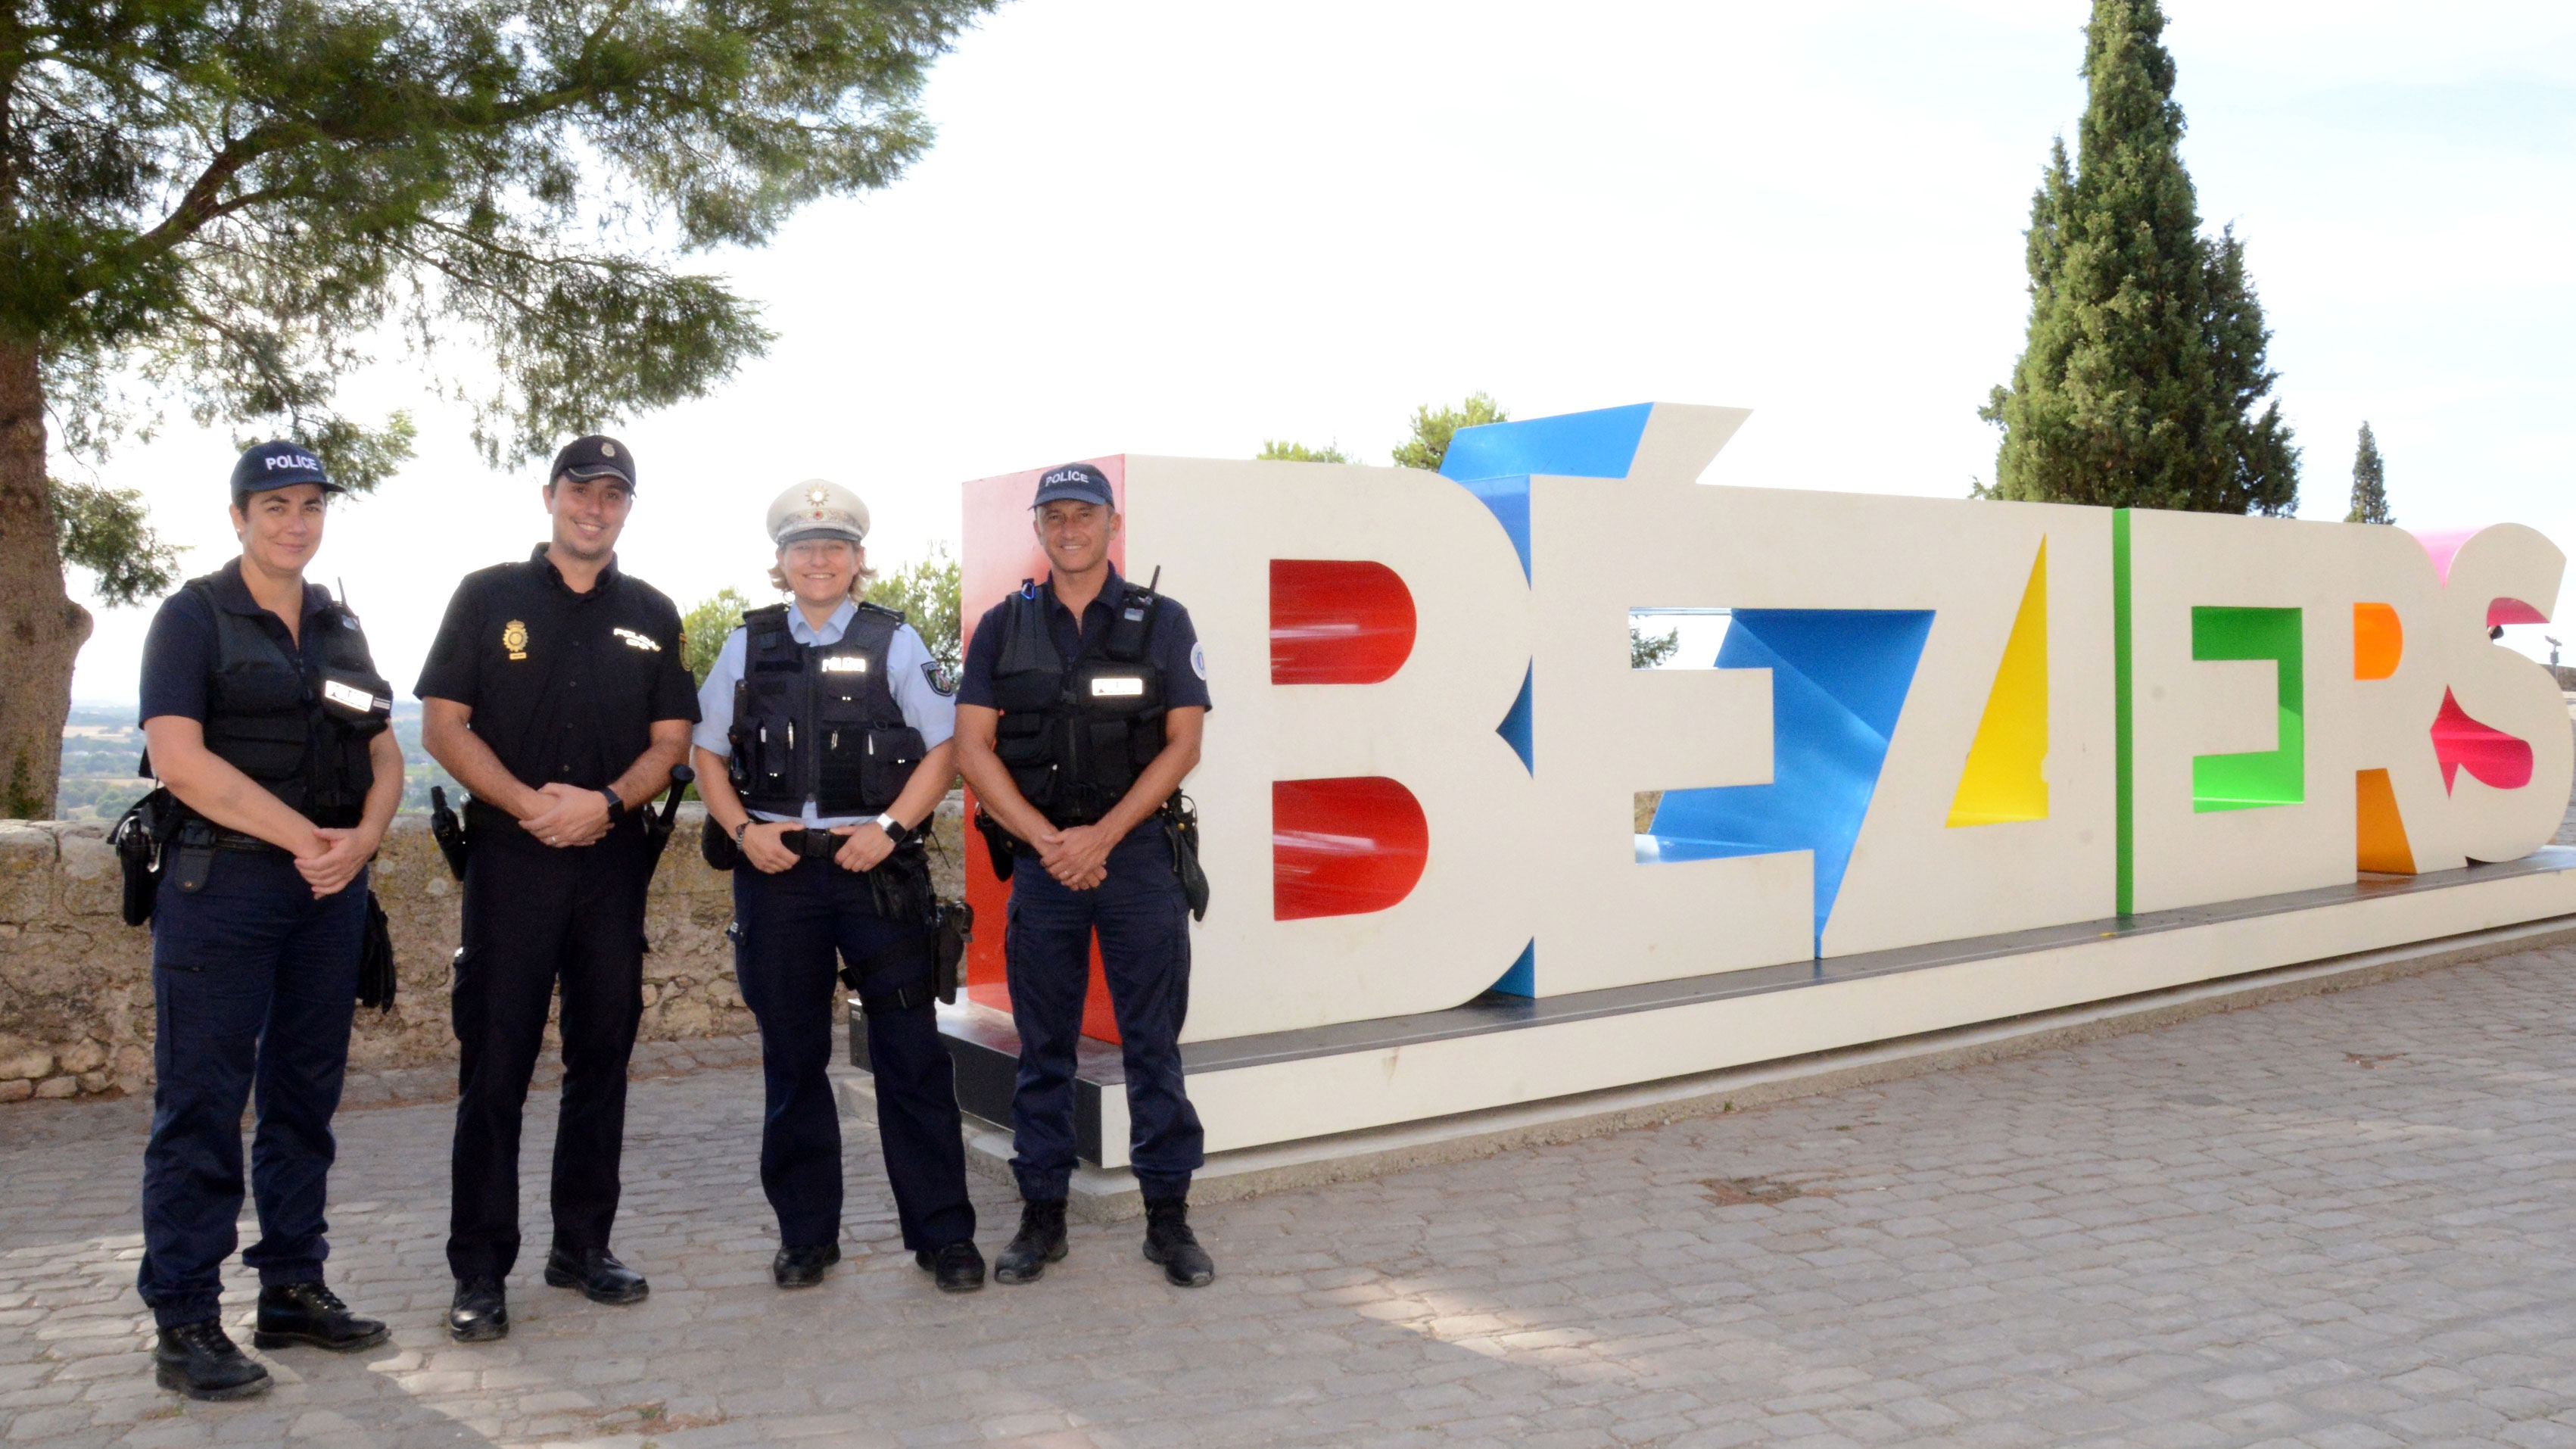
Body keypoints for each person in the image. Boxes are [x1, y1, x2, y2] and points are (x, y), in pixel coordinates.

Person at [132, 441, 403, 1399]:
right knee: (201, 1104)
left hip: (328, 894)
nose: (296, 521)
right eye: (276, 504)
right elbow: (181, 761)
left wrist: (361, 841)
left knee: (303, 1099)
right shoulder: (193, 616)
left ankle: (292, 1285)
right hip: (227, 891)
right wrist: (308, 839)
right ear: (239, 516)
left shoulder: (340, 625)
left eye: (311, 505)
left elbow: (384, 752)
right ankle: (185, 1319)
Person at [416, 435, 697, 1342]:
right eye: (582, 491)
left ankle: (582, 1248)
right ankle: (479, 1272)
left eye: (613, 495)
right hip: (511, 863)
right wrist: (530, 805)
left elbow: (670, 743)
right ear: (549, 497)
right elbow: (444, 726)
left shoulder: (654, 612)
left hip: (611, 864)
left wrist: (607, 802)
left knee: (601, 1064)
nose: (596, 507)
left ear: (626, 509)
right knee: (494, 1071)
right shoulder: (486, 595)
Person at [690, 480, 984, 1292]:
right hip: (778, 875)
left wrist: (886, 830)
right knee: (792, 1062)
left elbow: (946, 748)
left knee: (911, 1058)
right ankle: (807, 1238)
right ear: (780, 563)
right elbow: (705, 753)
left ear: (858, 561)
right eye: (802, 547)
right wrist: (746, 834)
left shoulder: (895, 640)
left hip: (877, 875)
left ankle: (943, 1239)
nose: (819, 560)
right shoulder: (745, 644)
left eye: (834, 547)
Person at [952, 462, 1216, 1288]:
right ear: (1037, 528)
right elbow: (971, 749)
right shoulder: (1002, 627)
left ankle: (1167, 1221)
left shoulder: (1162, 621)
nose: (1069, 528)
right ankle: (1042, 1218)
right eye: (1054, 515)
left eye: (1084, 514)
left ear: (1112, 525)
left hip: (1135, 859)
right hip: (1042, 865)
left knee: (1152, 1049)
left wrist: (1099, 836)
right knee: (1045, 1050)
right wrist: (1048, 841)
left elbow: (1184, 743)